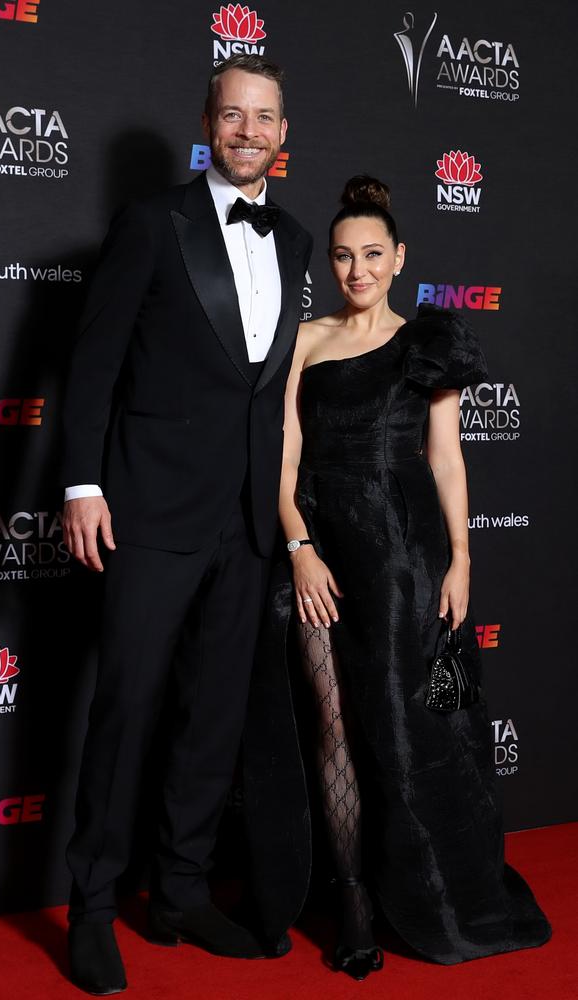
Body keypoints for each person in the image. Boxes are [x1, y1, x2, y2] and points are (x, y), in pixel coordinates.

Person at [243, 175, 551, 981]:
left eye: (373, 255)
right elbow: (281, 462)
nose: (358, 271)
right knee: (332, 721)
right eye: (344, 256)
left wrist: (462, 558)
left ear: (400, 256)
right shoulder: (304, 341)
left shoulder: (429, 342)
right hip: (320, 546)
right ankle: (350, 901)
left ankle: (422, 884)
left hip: (404, 553)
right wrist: (301, 546)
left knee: (409, 723)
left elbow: (446, 458)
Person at [60, 54, 312, 995]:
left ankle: (180, 891)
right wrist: (83, 485)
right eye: (234, 115)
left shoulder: (293, 240)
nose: (249, 131)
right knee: (126, 711)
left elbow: (269, 389)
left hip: (245, 522)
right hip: (149, 511)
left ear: (286, 136)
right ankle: (91, 909)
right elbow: (92, 368)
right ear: (208, 122)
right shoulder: (150, 223)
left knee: (211, 719)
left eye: (266, 118)